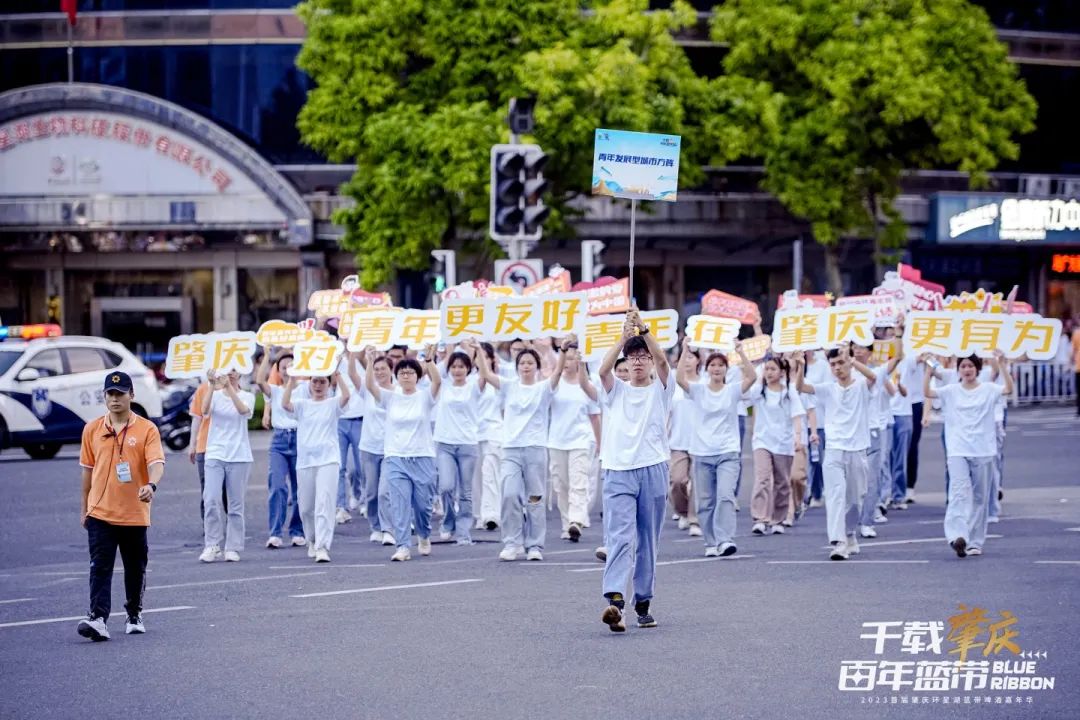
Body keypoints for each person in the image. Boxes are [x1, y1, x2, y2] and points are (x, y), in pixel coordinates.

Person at [597, 311, 675, 632]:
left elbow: (664, 361)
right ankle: (615, 602)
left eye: (643, 357)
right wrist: (623, 338)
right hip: (618, 470)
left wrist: (643, 329)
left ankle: (643, 601)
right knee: (619, 536)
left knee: (647, 539)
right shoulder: (616, 390)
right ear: (626, 363)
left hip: (653, 467)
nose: (639, 362)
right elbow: (603, 370)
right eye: (633, 357)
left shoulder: (662, 389)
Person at [77, 371, 165, 641]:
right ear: (104, 397)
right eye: (110, 394)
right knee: (99, 567)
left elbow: (156, 463)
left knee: (135, 568)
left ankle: (134, 613)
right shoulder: (92, 429)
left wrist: (151, 485)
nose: (115, 399)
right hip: (100, 512)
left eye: (120, 394)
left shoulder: (147, 429)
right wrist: (85, 509)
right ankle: (98, 618)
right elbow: (87, 472)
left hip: (134, 512)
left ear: (131, 395)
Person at [476, 340, 568, 561]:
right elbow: (486, 374)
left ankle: (534, 545)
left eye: (530, 363)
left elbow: (557, 373)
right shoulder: (509, 386)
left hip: (535, 449)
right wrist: (478, 350)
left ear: (537, 367)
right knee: (509, 495)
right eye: (522, 363)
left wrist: (563, 351)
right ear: (517, 367)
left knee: (534, 499)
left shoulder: (543, 388)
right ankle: (512, 542)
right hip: (511, 449)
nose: (526, 366)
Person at [924, 352, 1013, 558]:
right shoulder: (951, 391)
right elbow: (927, 392)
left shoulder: (988, 389)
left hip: (983, 450)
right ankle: (957, 536)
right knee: (958, 493)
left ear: (978, 369)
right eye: (963, 366)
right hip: (958, 450)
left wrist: (1001, 364)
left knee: (980, 498)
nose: (967, 370)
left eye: (970, 366)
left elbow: (1008, 389)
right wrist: (928, 372)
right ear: (958, 370)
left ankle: (975, 542)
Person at [794, 345, 878, 561]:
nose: (837, 368)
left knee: (856, 499)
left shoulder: (861, 385)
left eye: (840, 363)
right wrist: (801, 366)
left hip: (857, 448)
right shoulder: (828, 388)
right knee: (835, 496)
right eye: (833, 365)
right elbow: (801, 387)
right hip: (834, 449)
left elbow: (873, 377)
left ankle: (849, 533)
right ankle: (838, 542)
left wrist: (851, 359)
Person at [676, 338, 756, 558]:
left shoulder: (732, 390)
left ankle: (725, 540)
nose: (717, 368)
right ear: (707, 368)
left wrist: (740, 352)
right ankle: (710, 542)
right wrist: (684, 350)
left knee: (725, 496)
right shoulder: (698, 390)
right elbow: (679, 379)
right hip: (702, 453)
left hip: (728, 452)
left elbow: (752, 377)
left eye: (721, 365)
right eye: (713, 365)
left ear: (726, 369)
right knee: (706, 502)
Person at [365, 347, 441, 562]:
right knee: (399, 503)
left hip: (422, 456)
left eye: (410, 372)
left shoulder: (425, 397)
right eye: (402, 373)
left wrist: (429, 360)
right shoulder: (390, 397)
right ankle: (403, 546)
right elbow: (370, 385)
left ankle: (424, 534)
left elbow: (437, 382)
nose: (406, 376)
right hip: (396, 457)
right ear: (396, 376)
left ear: (418, 376)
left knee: (423, 505)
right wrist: (370, 362)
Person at [283, 363, 352, 563]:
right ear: (310, 383)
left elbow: (347, 396)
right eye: (315, 381)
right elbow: (285, 404)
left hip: (328, 459)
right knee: (306, 507)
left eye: (323, 382)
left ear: (329, 385)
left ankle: (322, 546)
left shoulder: (332, 403)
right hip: (305, 461)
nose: (318, 385)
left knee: (324, 503)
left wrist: (338, 375)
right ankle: (312, 539)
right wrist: (291, 380)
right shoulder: (302, 404)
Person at [547, 337, 601, 543]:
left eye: (573, 359)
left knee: (579, 482)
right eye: (566, 358)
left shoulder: (586, 385)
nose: (569, 362)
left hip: (581, 440)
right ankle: (566, 524)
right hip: (557, 441)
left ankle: (576, 520)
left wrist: (600, 442)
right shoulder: (554, 384)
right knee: (561, 485)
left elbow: (594, 417)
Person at [199, 369, 254, 563]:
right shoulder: (214, 394)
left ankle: (232, 547)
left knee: (235, 505)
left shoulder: (247, 396)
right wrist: (212, 385)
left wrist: (229, 388)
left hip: (239, 455)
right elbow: (204, 411)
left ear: (241, 374)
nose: (230, 373)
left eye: (235, 370)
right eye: (228, 369)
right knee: (211, 499)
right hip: (215, 453)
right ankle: (212, 544)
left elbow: (243, 411)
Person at [746, 355, 805, 535]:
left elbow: (797, 415)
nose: (769, 372)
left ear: (782, 372)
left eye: (773, 369)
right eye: (767, 369)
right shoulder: (759, 390)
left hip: (783, 443)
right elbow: (745, 394)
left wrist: (797, 436)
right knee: (762, 479)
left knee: (782, 483)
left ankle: (778, 519)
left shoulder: (789, 392)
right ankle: (760, 518)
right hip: (762, 441)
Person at [256, 349, 307, 549]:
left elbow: (324, 379)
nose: (287, 370)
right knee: (277, 486)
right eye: (283, 367)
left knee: (299, 489)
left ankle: (297, 531)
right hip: (279, 441)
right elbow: (259, 381)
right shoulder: (275, 390)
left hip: (300, 438)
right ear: (278, 371)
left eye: (291, 366)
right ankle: (275, 533)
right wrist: (267, 355)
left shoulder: (305, 388)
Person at [433, 345, 483, 545]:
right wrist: (446, 348)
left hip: (467, 444)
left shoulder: (474, 386)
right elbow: (432, 371)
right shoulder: (443, 385)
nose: (457, 370)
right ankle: (448, 522)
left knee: (465, 492)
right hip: (445, 443)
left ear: (468, 368)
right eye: (454, 366)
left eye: (461, 366)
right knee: (446, 487)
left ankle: (463, 532)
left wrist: (478, 351)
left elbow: (485, 374)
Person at [593, 356, 631, 564]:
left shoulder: (645, 393)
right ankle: (610, 544)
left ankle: (630, 545)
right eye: (620, 370)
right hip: (612, 459)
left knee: (632, 511)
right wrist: (580, 364)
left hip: (636, 460)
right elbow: (596, 377)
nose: (623, 374)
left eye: (627, 370)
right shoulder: (609, 393)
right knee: (611, 506)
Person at [359, 354, 395, 545]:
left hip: (390, 449)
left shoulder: (398, 392)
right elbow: (353, 375)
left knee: (384, 492)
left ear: (391, 370)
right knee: (371, 492)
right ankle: (375, 527)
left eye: (383, 369)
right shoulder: (369, 391)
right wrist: (359, 356)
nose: (380, 372)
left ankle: (388, 529)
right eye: (376, 369)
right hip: (369, 448)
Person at [668, 347, 702, 537]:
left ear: (698, 360)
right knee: (677, 481)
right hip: (678, 440)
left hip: (700, 442)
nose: (687, 360)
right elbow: (667, 412)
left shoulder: (704, 383)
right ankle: (682, 511)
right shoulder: (674, 384)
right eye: (684, 357)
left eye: (691, 357)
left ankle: (694, 519)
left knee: (697, 482)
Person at [474, 342, 504, 532]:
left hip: (494, 432)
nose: (481, 360)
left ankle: (491, 514)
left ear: (492, 359)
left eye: (485, 356)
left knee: (490, 473)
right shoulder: (469, 381)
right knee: (476, 478)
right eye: (478, 357)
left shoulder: (500, 382)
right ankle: (479, 515)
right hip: (473, 434)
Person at [188, 377, 224, 524]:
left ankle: (232, 527)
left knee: (228, 491)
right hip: (205, 446)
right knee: (207, 490)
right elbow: (197, 418)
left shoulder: (232, 387)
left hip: (227, 447)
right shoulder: (203, 389)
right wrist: (192, 445)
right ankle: (208, 527)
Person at [336, 352, 365, 524]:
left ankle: (364, 500)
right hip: (340, 418)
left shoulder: (365, 357)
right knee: (339, 466)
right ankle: (341, 506)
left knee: (360, 467)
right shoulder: (335, 357)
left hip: (360, 418)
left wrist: (359, 354)